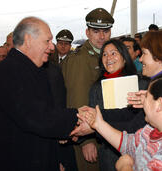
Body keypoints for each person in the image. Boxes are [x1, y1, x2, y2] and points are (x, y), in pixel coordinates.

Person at [0, 16, 87, 171]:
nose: (52, 47)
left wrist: (64, 134)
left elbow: (46, 112)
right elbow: (35, 117)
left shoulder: (31, 69)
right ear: (28, 40)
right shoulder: (11, 71)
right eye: (47, 41)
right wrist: (76, 116)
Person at [81, 73, 162, 170]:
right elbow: (131, 144)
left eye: (147, 97)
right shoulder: (156, 128)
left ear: (159, 104)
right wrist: (99, 125)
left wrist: (125, 166)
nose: (142, 102)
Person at [61, 7, 114, 171]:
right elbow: (77, 101)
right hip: (89, 136)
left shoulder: (106, 56)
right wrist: (87, 140)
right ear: (87, 32)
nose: (101, 36)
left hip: (104, 132)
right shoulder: (80, 59)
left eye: (105, 31)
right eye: (96, 31)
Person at [89, 39, 146, 171]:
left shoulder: (142, 84)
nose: (108, 57)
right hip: (108, 153)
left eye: (113, 53)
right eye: (104, 54)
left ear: (125, 58)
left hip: (138, 151)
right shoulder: (96, 88)